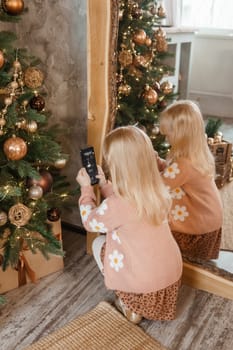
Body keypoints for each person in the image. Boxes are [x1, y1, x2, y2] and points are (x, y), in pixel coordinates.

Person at [76, 126, 182, 324]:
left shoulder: (117, 204)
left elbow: (90, 223)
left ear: (117, 165)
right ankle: (139, 299)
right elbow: (128, 206)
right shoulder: (157, 188)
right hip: (170, 278)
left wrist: (86, 190)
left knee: (98, 244)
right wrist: (104, 185)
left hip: (144, 283)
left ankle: (131, 303)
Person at [159, 100, 223, 261]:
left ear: (181, 134)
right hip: (209, 222)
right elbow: (171, 173)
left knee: (156, 220)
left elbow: (159, 186)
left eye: (168, 134)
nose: (166, 138)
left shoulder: (183, 164)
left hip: (197, 227)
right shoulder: (195, 154)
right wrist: (159, 163)